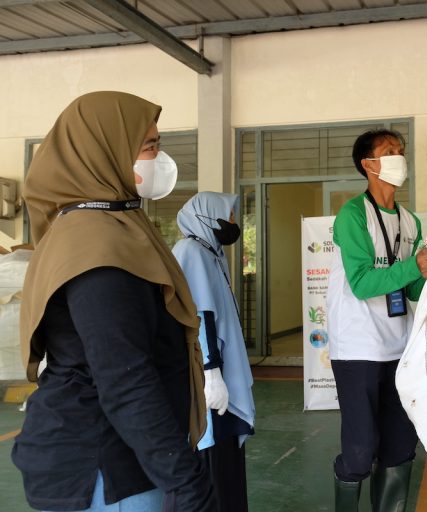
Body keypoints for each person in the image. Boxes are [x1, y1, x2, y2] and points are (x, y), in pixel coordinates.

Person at [12, 92, 216, 511]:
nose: (159, 160)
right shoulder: (97, 245)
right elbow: (125, 378)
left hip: (115, 454)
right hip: (108, 465)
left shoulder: (109, 226)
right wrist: (188, 483)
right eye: (149, 147)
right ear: (105, 151)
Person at [327, 129, 427, 511]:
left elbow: (410, 290)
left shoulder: (410, 222)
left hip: (399, 348)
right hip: (357, 348)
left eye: (401, 151)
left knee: (400, 446)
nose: (399, 158)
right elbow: (361, 283)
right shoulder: (353, 215)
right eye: (389, 151)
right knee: (360, 451)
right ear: (368, 164)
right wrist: (413, 267)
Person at [172, 192, 256, 512]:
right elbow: (200, 314)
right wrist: (211, 371)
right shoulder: (191, 251)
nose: (233, 222)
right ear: (208, 216)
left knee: (226, 456)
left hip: (217, 371)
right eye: (229, 215)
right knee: (212, 458)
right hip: (208, 376)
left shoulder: (211, 253)